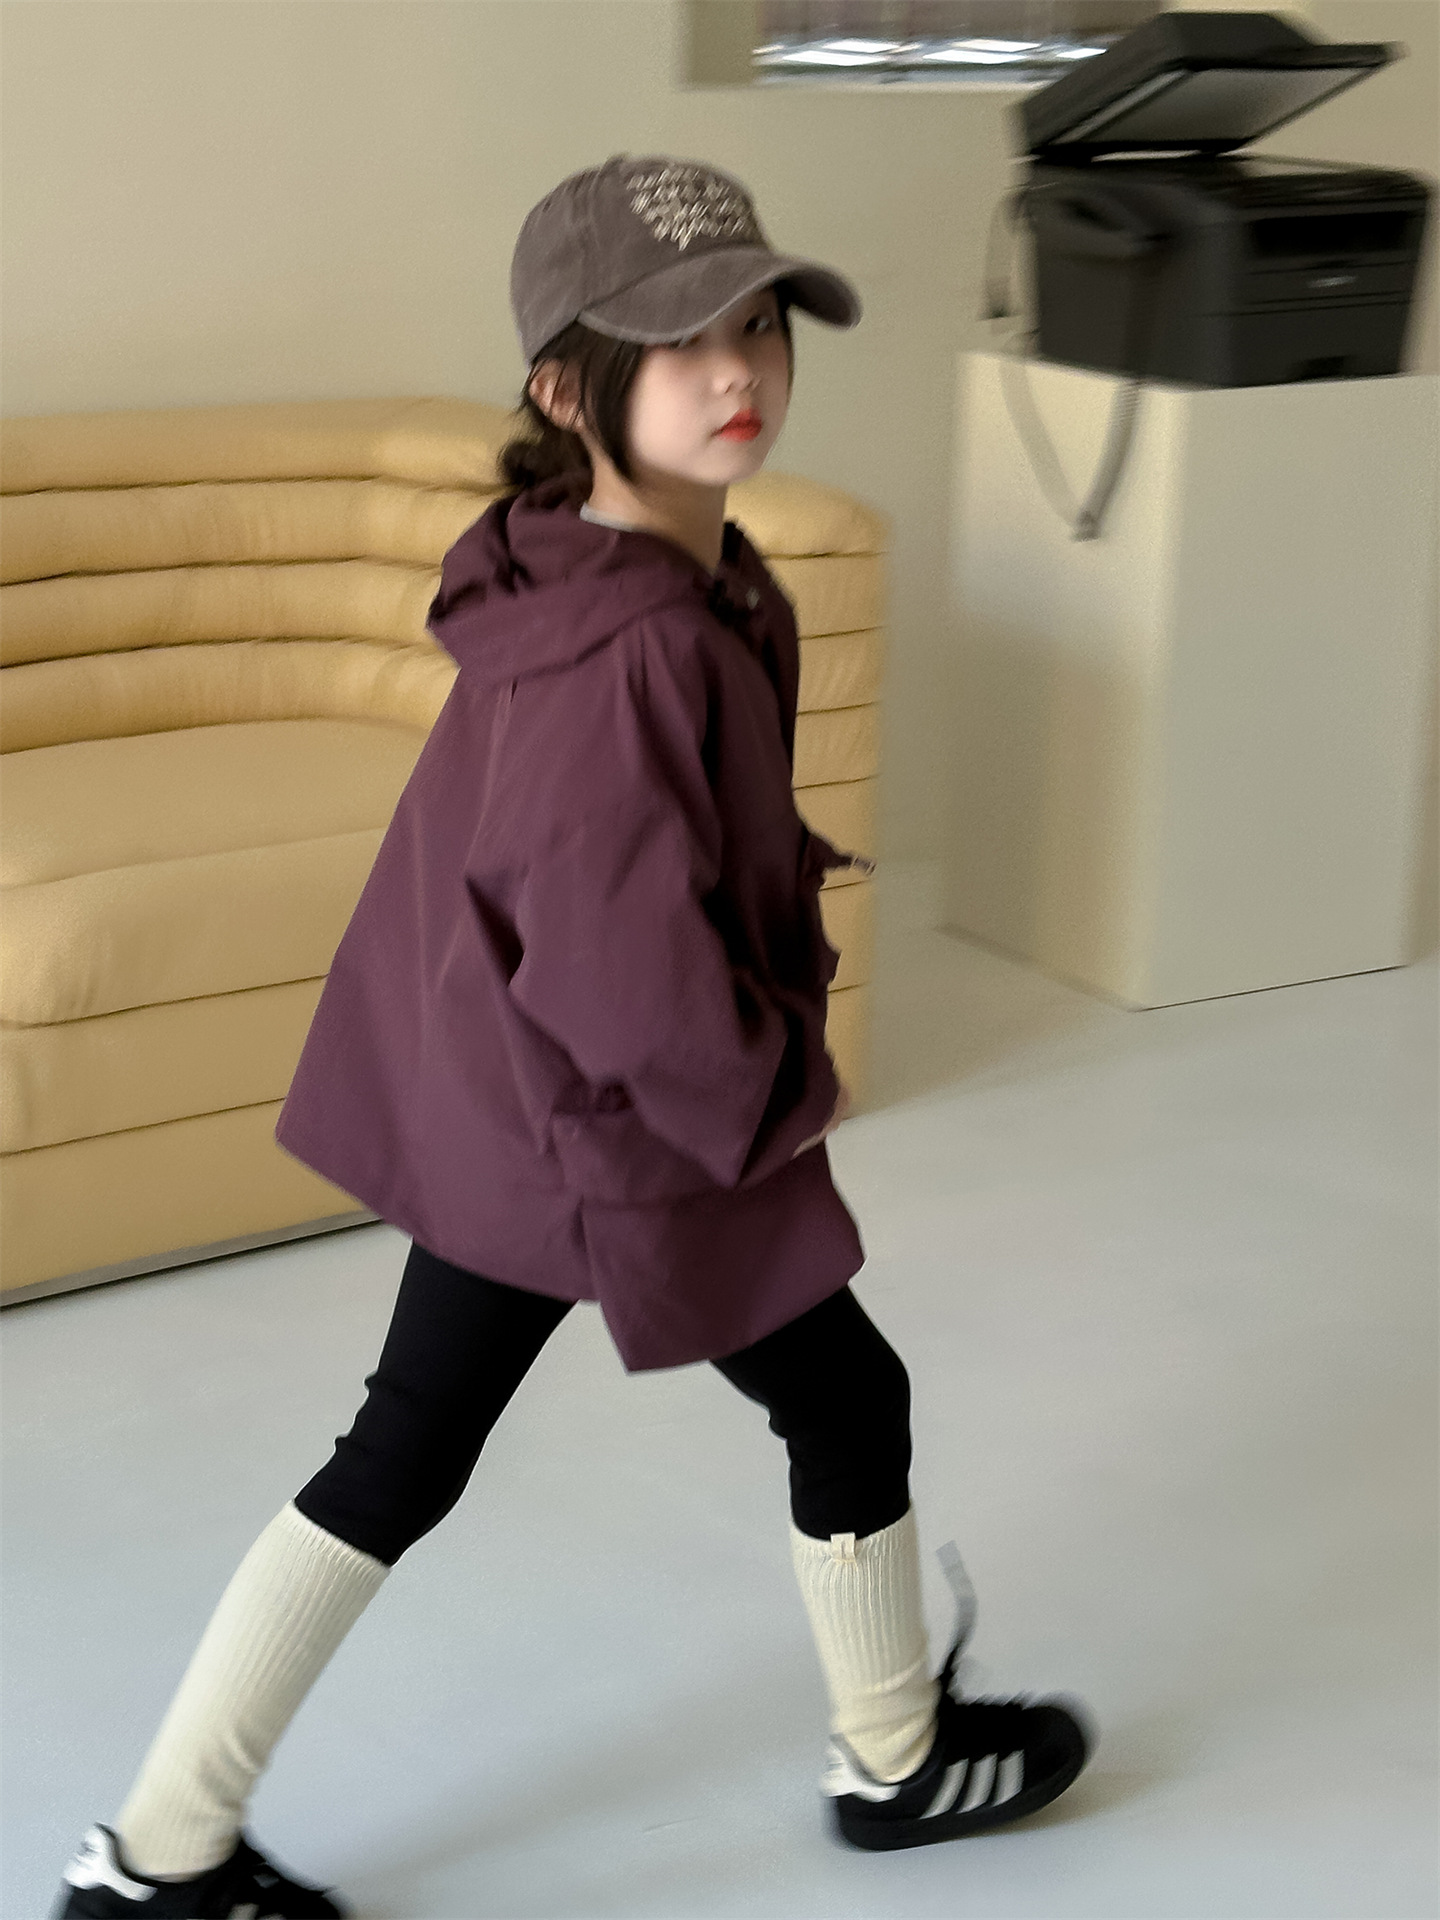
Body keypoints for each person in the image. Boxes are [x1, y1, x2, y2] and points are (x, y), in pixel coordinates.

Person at [53, 153, 1093, 1920]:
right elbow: (622, 970)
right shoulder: (627, 647)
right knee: (828, 1400)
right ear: (563, 386)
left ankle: (161, 1851)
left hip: (521, 1102)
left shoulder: (637, 572)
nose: (735, 369)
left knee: (409, 1450)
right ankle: (893, 1760)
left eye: (758, 323)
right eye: (676, 341)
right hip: (616, 1121)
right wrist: (770, 1090)